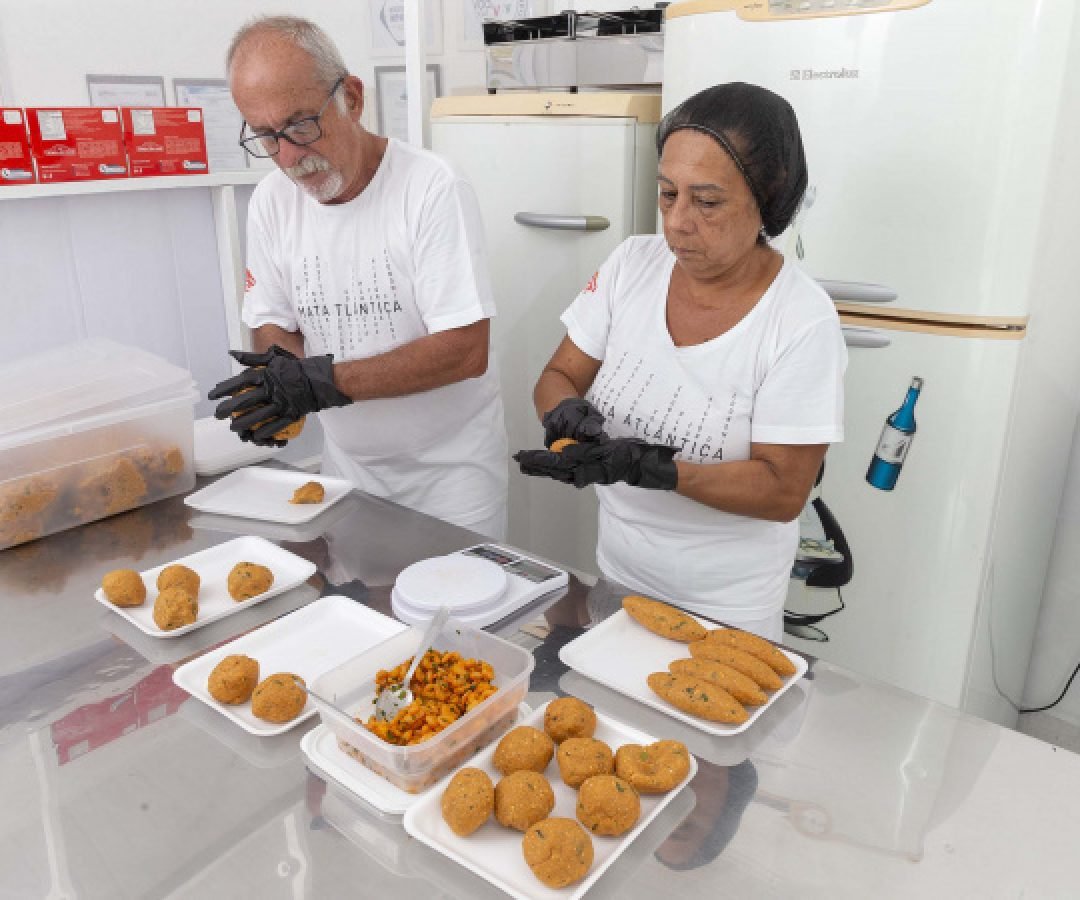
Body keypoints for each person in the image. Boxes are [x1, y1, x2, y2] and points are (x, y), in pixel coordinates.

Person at [515, 82, 846, 641]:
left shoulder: (801, 319)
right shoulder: (631, 265)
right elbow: (559, 375)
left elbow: (783, 490)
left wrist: (653, 468)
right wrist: (564, 414)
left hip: (727, 614)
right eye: (668, 193)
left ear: (769, 198)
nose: (676, 222)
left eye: (707, 201)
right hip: (619, 578)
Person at [208, 16, 508, 539]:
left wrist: (323, 383)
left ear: (351, 96)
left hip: (451, 478)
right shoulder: (272, 203)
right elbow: (273, 322)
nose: (289, 157)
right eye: (266, 136)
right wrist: (281, 381)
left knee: (455, 618)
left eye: (301, 125)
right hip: (347, 471)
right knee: (364, 614)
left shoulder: (430, 189)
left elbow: (465, 349)